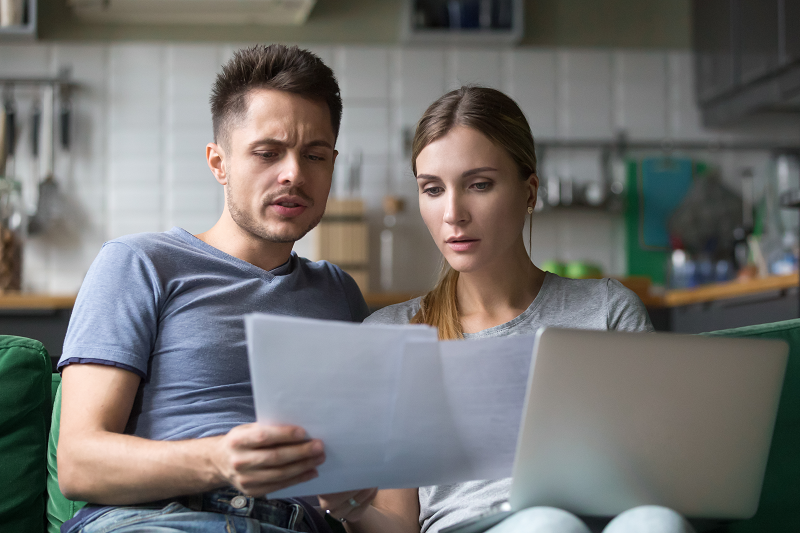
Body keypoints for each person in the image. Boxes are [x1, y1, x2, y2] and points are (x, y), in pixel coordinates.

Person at [317, 87, 695, 533]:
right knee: (548, 526)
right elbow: (399, 523)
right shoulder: (393, 334)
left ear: (529, 192)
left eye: (479, 185)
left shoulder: (607, 310)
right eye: (433, 189)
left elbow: (657, 472)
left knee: (658, 521)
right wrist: (350, 508)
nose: (453, 213)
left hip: (601, 522)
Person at [56, 44, 369, 533]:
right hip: (158, 520)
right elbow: (78, 463)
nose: (294, 174)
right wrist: (220, 461)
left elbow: (362, 473)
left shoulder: (340, 294)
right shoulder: (139, 264)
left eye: (315, 155)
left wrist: (353, 493)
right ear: (218, 162)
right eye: (268, 153)